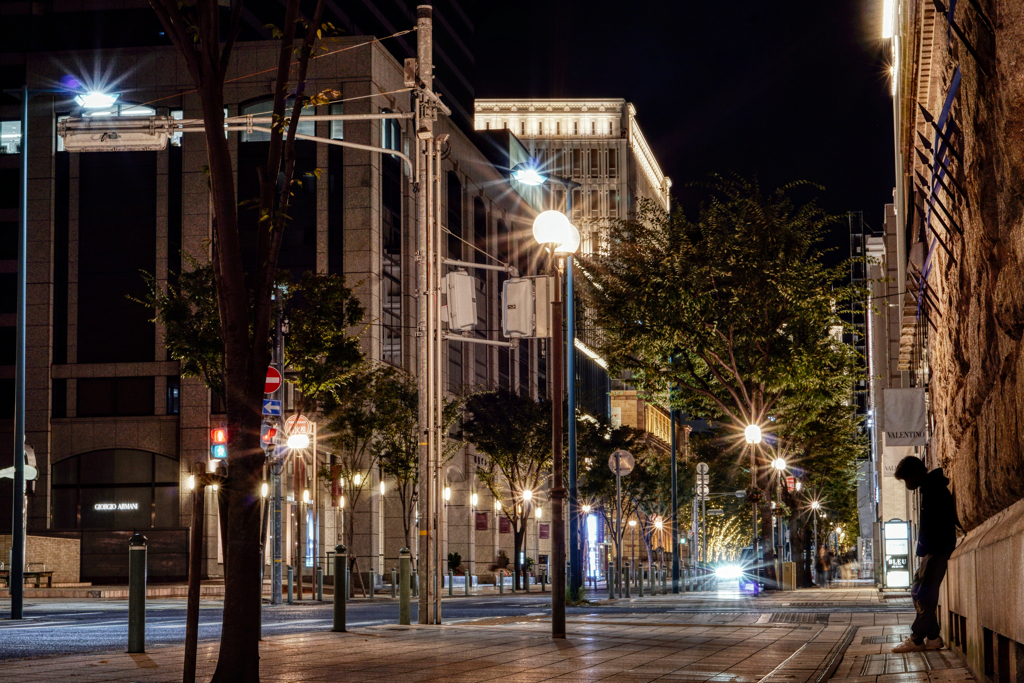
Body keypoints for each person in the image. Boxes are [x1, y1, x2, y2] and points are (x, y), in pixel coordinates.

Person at [891, 456, 958, 653]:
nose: (907, 484)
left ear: (914, 474)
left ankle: (917, 638)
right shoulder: (929, 488)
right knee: (917, 589)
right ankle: (933, 637)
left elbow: (934, 524)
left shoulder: (933, 489)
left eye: (906, 480)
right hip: (932, 549)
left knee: (924, 594)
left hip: (937, 549)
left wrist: (925, 547)